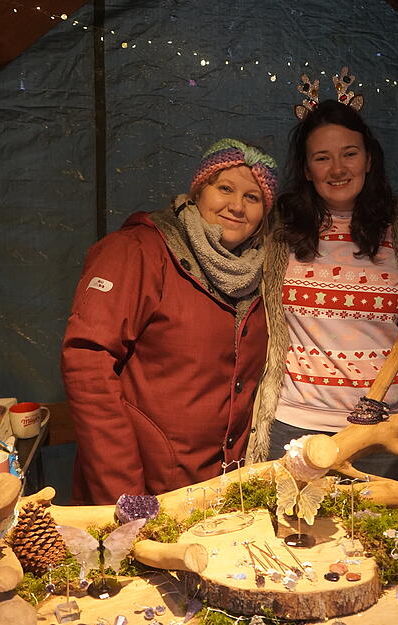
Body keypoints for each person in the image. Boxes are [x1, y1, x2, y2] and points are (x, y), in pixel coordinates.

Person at [62, 139, 278, 504]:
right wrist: (126, 495)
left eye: (252, 197)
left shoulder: (263, 274)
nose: (237, 206)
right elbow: (87, 363)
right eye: (224, 188)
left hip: (218, 496)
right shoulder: (138, 251)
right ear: (198, 191)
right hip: (145, 490)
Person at [246, 99, 398, 481]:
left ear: (368, 159)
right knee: (292, 536)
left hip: (386, 428)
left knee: (394, 538)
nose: (337, 169)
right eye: (322, 157)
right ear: (305, 168)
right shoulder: (280, 225)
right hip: (298, 424)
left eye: (349, 154)